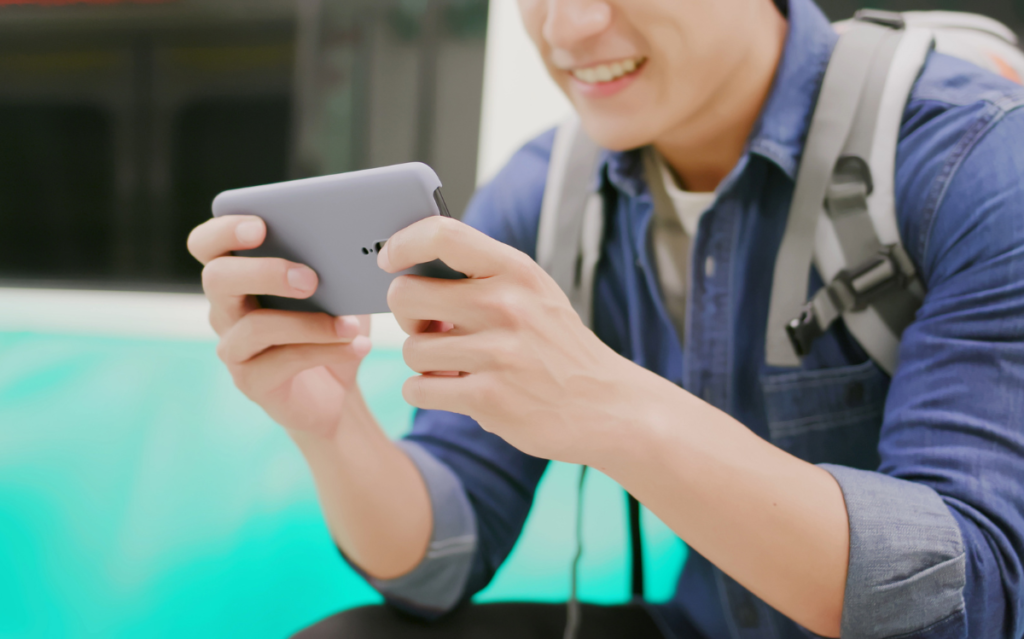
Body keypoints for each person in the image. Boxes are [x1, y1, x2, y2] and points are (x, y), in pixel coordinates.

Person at [186, 0, 1024, 637]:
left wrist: (610, 408)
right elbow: (440, 562)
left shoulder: (977, 158)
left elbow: (975, 599)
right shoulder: (546, 190)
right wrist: (331, 427)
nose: (570, 25)